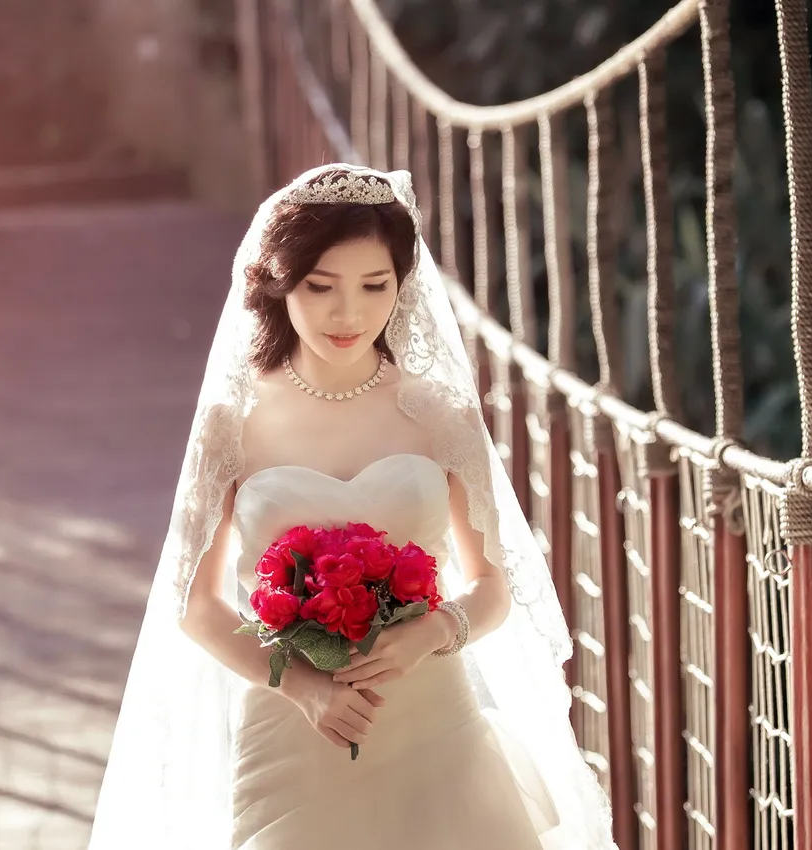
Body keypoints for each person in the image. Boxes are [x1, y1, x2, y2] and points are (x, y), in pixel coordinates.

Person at [87, 164, 616, 849]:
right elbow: (198, 607)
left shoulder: (439, 413)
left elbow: (492, 588)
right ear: (280, 282)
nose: (350, 314)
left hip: (434, 724)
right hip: (292, 728)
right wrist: (304, 687)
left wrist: (434, 630)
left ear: (403, 288)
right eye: (321, 287)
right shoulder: (235, 420)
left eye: (376, 287)